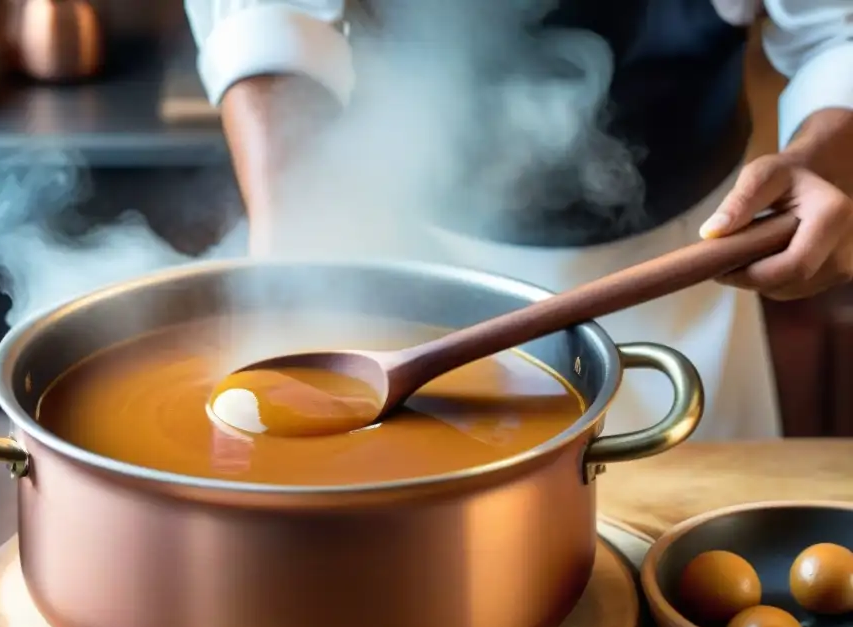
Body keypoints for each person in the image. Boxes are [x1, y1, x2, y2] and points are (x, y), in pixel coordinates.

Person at [182, 0, 853, 440]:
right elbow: (271, 18)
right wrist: (297, 237)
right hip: (411, 263)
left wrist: (819, 162)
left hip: (689, 275)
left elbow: (837, 33)